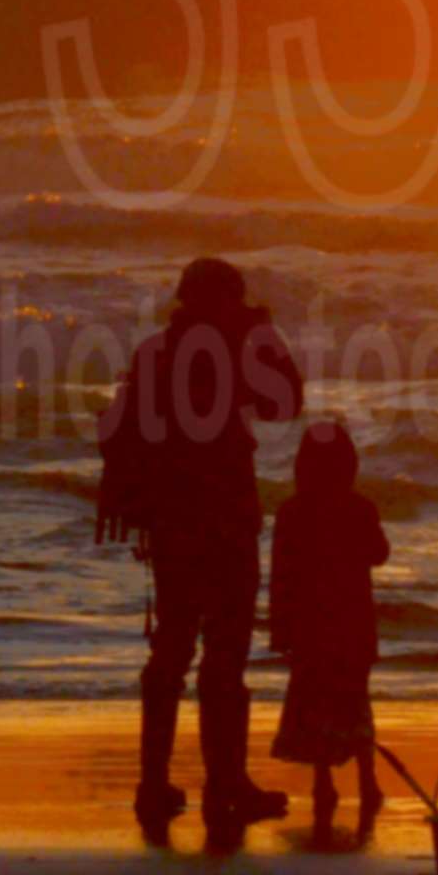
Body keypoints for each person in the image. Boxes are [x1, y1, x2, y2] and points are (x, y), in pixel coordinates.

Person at [99, 257, 303, 829]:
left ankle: (156, 783)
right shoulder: (239, 348)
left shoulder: (155, 353)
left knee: (174, 648)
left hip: (172, 522)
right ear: (227, 301)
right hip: (222, 516)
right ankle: (223, 782)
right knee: (223, 650)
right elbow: (286, 401)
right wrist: (261, 335)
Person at [268, 420, 390, 825]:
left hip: (309, 626)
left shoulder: (291, 511)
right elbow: (380, 554)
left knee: (316, 703)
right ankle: (368, 782)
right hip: (354, 623)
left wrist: (279, 628)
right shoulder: (359, 507)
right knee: (356, 702)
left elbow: (280, 575)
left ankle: (323, 781)